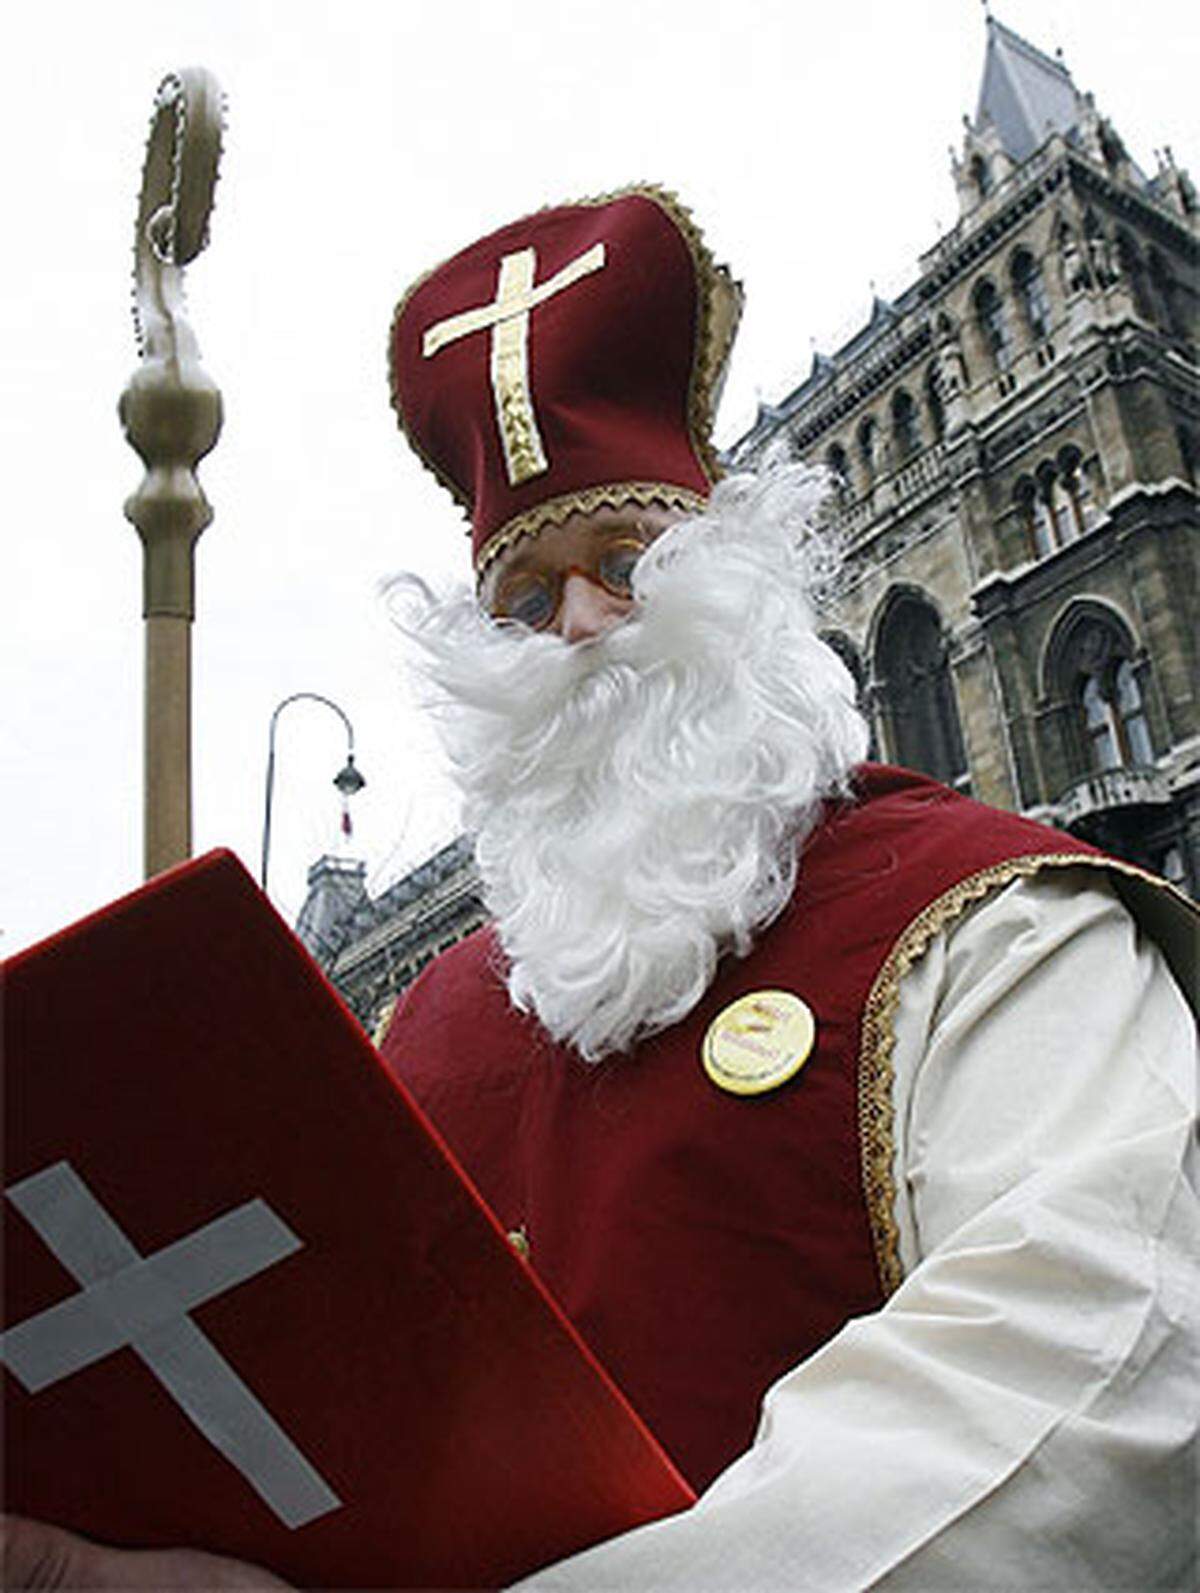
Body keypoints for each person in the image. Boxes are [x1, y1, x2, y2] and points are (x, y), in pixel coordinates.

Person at [5, 186, 1197, 1590]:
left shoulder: (993, 926)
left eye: (626, 565)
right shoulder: (420, 1035)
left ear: (740, 583)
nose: (576, 628)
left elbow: (1109, 1368)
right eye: (524, 599)